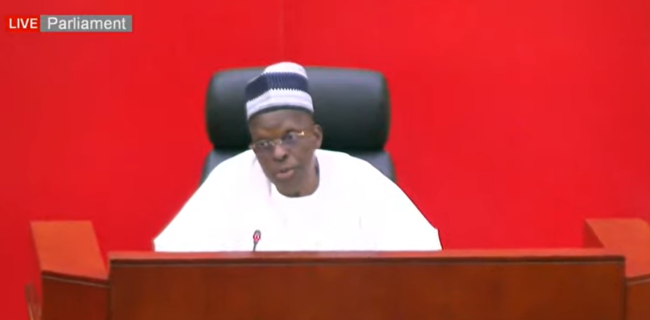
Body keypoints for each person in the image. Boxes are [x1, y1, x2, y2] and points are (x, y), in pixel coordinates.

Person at [154, 62, 441, 252]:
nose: (278, 153)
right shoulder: (230, 179)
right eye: (264, 143)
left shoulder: (362, 180)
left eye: (290, 137)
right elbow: (172, 265)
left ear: (316, 136)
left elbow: (421, 260)